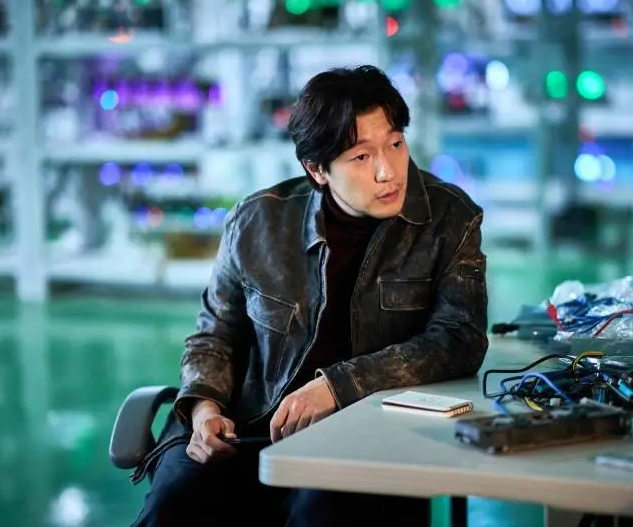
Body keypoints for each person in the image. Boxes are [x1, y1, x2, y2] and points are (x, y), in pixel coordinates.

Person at [131, 64, 488, 527]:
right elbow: (214, 335)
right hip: (246, 427)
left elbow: (459, 338)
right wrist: (204, 408)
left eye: (396, 144)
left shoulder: (450, 218)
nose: (388, 171)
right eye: (361, 157)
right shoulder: (256, 222)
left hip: (365, 429)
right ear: (317, 170)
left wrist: (337, 387)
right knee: (173, 503)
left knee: (322, 509)